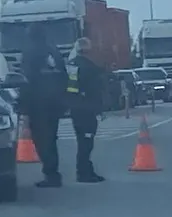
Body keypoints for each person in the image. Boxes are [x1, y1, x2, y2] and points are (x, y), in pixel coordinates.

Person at [19, 22, 68, 188]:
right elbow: (64, 77)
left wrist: (23, 106)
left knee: (41, 140)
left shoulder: (30, 52)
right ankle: (53, 172)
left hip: (38, 104)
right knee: (51, 138)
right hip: (55, 103)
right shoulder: (54, 51)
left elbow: (26, 80)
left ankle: (51, 173)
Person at [65, 36, 107, 183]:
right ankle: (84, 172)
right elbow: (95, 90)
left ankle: (85, 170)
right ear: (88, 50)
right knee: (87, 143)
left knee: (82, 141)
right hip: (87, 110)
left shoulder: (70, 65)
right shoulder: (89, 68)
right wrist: (99, 109)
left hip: (75, 110)